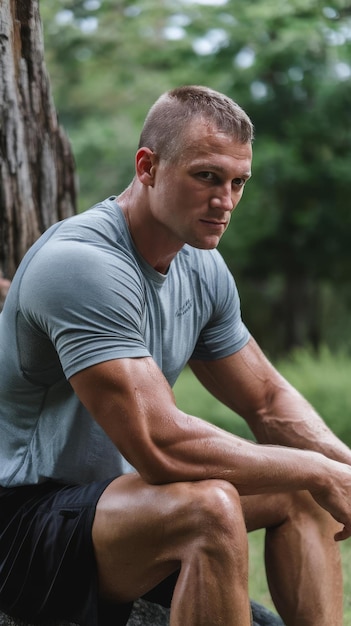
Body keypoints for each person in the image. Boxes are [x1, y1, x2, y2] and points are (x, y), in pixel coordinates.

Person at [0, 85, 351, 626]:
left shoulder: (201, 267)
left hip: (126, 512)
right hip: (25, 527)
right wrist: (317, 467)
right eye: (207, 176)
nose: (226, 202)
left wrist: (339, 469)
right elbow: (162, 446)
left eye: (238, 182)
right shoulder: (83, 264)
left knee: (302, 487)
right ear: (148, 167)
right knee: (209, 508)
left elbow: (267, 400)